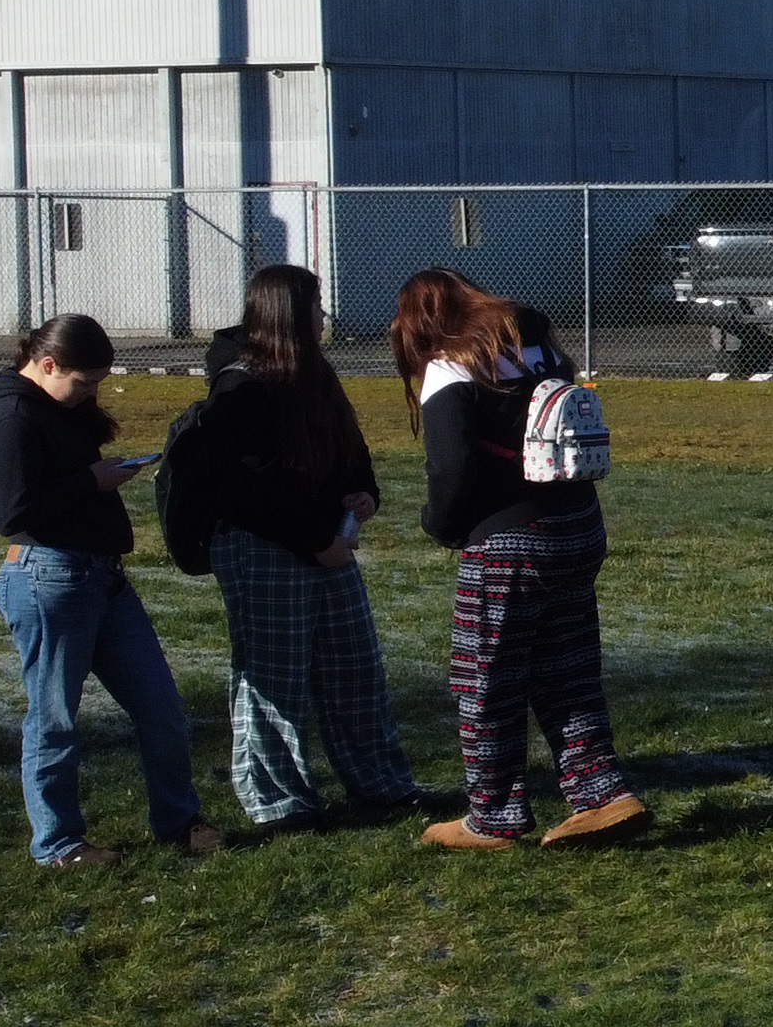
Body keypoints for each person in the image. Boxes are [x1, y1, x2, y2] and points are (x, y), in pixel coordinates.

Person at [395, 267, 647, 849]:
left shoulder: (451, 365)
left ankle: (493, 816)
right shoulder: (538, 345)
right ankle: (602, 793)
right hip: (578, 523)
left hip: (508, 541)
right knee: (568, 670)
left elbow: (452, 471)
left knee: (486, 679)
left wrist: (441, 525)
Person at [0, 313, 218, 867]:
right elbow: (10, 510)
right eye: (83, 383)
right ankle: (58, 843)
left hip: (102, 577)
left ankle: (179, 821)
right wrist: (91, 481)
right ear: (46, 364)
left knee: (161, 707)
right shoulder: (10, 417)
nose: (91, 394)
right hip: (47, 579)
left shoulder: (63, 406)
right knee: (55, 717)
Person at [191, 264, 421, 830]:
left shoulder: (315, 373)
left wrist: (363, 492)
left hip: (327, 546)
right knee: (275, 674)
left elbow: (350, 450)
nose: (324, 317)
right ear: (287, 314)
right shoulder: (240, 384)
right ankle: (279, 800)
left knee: (354, 665)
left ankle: (381, 783)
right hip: (266, 548)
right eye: (316, 307)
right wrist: (316, 538)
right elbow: (245, 490)